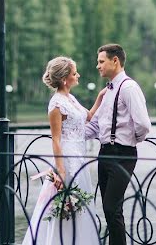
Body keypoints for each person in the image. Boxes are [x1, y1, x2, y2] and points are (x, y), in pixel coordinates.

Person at [21, 56, 106, 245]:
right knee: (66, 205)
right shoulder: (56, 104)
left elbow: (89, 117)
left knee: (80, 205)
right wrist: (60, 170)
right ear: (65, 78)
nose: (78, 75)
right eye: (75, 73)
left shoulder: (71, 98)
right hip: (66, 159)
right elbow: (56, 139)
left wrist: (100, 97)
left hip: (80, 157)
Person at [84, 44, 152, 245]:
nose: (98, 66)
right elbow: (96, 126)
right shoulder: (108, 90)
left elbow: (143, 124)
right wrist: (68, 134)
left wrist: (131, 141)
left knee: (112, 208)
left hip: (122, 154)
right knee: (110, 209)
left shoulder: (129, 88)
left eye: (101, 61)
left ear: (115, 61)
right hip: (104, 153)